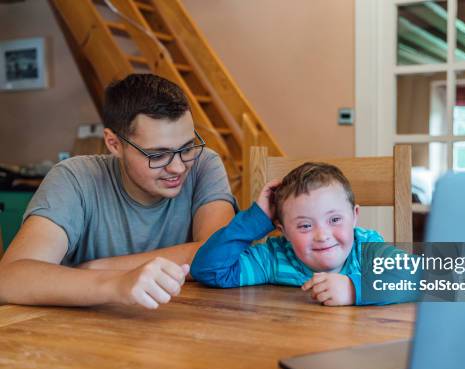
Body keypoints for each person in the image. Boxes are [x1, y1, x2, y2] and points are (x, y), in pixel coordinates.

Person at [0, 74, 237, 309]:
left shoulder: (203, 164)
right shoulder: (74, 177)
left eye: (187, 148)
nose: (178, 167)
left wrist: (96, 267)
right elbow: (9, 279)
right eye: (157, 155)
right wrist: (118, 284)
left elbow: (223, 252)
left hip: (180, 328)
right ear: (114, 143)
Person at [191, 162, 397, 306]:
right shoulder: (276, 257)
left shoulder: (367, 248)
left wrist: (354, 290)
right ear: (284, 231)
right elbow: (209, 270)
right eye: (305, 226)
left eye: (335, 220)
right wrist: (257, 219)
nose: (322, 235)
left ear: (354, 216)